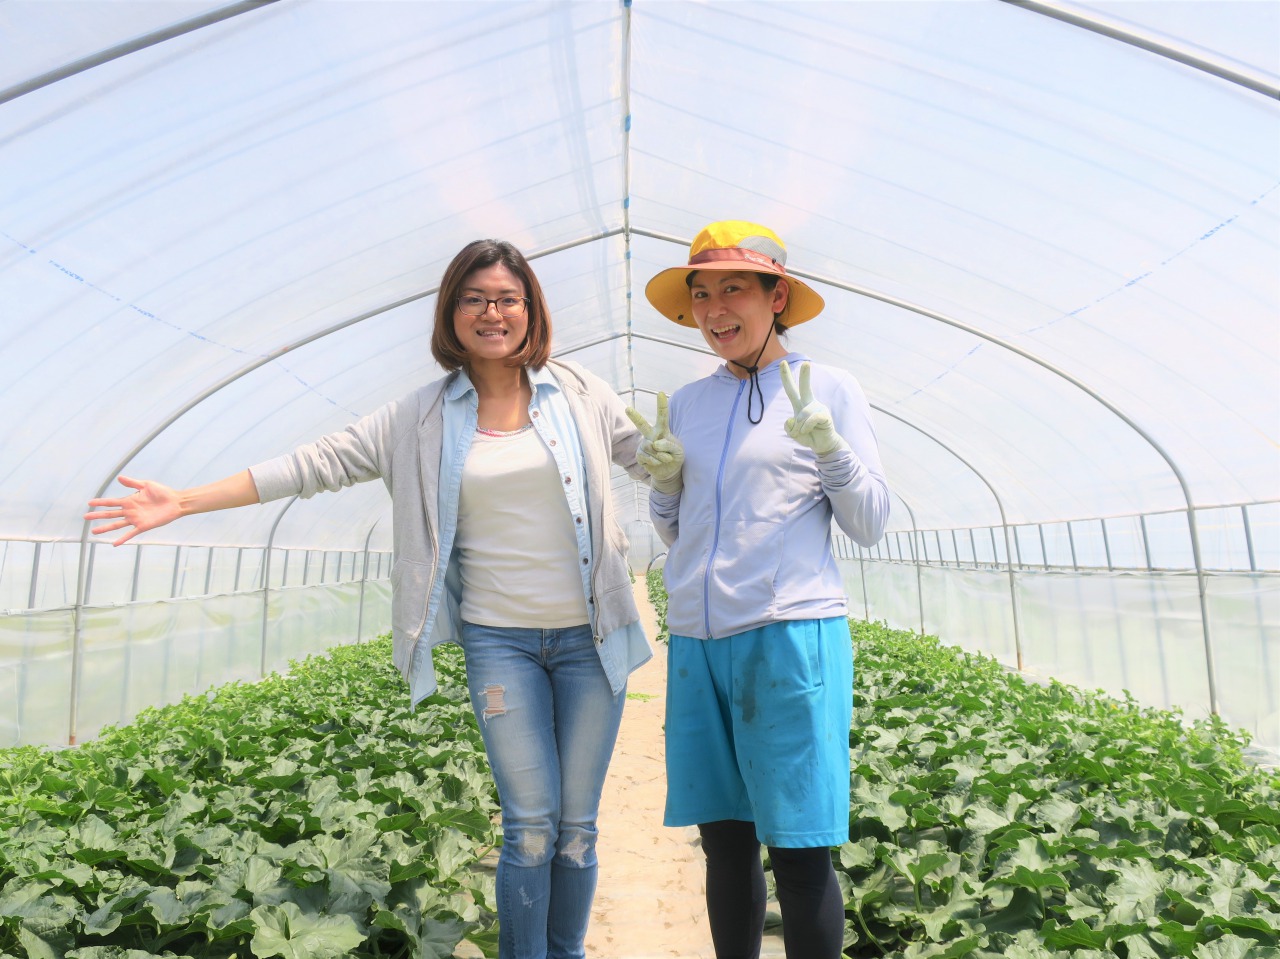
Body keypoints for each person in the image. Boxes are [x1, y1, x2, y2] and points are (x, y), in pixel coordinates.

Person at [85, 239, 652, 959]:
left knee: (577, 830)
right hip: (499, 640)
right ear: (451, 313)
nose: (493, 312)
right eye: (475, 298)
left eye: (508, 298)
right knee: (531, 825)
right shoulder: (418, 418)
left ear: (532, 309)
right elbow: (313, 464)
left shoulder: (580, 394)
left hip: (589, 635)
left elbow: (654, 461)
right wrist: (186, 499)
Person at [626, 221, 890, 959]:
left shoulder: (829, 388)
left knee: (800, 850)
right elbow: (682, 534)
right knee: (725, 842)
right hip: (700, 643)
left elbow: (869, 522)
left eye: (734, 288)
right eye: (701, 293)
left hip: (788, 635)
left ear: (777, 295)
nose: (714, 308)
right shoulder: (689, 403)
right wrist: (667, 483)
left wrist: (830, 450)